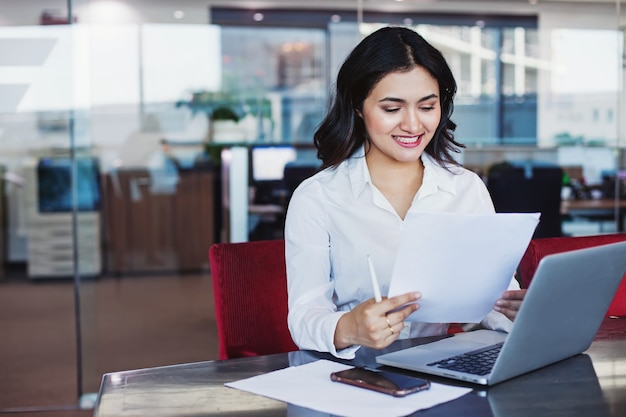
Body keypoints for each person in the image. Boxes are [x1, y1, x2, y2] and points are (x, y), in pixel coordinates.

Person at [284, 26, 526, 359]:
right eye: (392, 109)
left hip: (439, 367)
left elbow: (490, 300)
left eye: (427, 107)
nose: (413, 126)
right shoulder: (317, 198)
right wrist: (349, 327)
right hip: (353, 375)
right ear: (358, 106)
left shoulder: (465, 188)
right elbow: (304, 315)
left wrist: (514, 309)